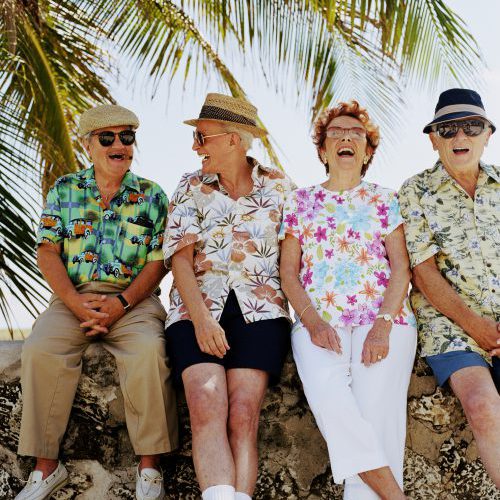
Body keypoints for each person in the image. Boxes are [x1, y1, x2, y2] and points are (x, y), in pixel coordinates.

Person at [15, 104, 178, 500]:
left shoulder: (152, 194)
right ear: (88, 145)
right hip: (73, 299)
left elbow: (159, 262)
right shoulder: (64, 189)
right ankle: (46, 468)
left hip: (134, 302)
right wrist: (73, 302)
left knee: (149, 352)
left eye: (127, 137)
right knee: (39, 350)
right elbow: (47, 251)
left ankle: (150, 468)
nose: (119, 145)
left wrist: (120, 303)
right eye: (108, 138)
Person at [280, 100, 416, 500]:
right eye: (335, 133)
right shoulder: (299, 202)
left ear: (368, 151)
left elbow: (401, 269)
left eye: (355, 134)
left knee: (377, 420)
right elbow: (289, 272)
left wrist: (382, 324)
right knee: (333, 404)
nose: (345, 138)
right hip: (317, 322)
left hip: (386, 321)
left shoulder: (386, 199)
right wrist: (313, 321)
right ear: (323, 151)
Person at [163, 93, 294, 500]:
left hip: (263, 314)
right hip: (196, 310)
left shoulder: (280, 187)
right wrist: (201, 319)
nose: (195, 146)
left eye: (202, 137)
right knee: (205, 404)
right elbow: (179, 260)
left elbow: (295, 260)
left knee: (242, 417)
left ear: (234, 140)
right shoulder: (190, 185)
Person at [399, 88, 500, 488]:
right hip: (452, 325)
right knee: (482, 406)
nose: (461, 136)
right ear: (433, 138)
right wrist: (477, 326)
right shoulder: (415, 191)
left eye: (472, 126)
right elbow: (423, 274)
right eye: (448, 128)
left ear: (488, 134)